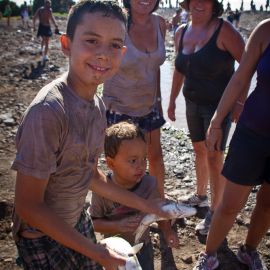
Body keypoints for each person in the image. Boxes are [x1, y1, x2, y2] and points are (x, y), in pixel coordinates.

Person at [11, 1, 170, 269]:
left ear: (123, 52)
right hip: (40, 237)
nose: (103, 55)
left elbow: (92, 176)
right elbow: (28, 206)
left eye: (114, 45)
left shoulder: (97, 107)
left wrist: (151, 206)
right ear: (66, 45)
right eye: (92, 40)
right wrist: (98, 253)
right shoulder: (49, 112)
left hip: (77, 220)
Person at [194, 19, 270, 270]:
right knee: (229, 205)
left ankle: (249, 250)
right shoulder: (265, 30)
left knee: (268, 204)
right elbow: (239, 78)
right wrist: (217, 122)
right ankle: (210, 254)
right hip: (253, 133)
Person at [167, 0, 245, 235]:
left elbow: (247, 66)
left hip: (219, 106)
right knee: (199, 150)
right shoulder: (181, 32)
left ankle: (216, 210)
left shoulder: (225, 30)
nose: (199, 4)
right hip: (191, 102)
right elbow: (179, 69)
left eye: (206, 0)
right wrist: (171, 101)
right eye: (194, 0)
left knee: (214, 157)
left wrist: (240, 102)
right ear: (188, 4)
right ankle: (200, 195)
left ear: (213, 5)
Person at [90, 121, 180, 269]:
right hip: (113, 252)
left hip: (143, 248)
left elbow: (160, 214)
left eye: (144, 158)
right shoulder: (102, 190)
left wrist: (168, 231)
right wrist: (116, 225)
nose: (141, 166)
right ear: (111, 164)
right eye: (133, 161)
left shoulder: (149, 184)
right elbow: (94, 223)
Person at [103, 0, 167, 198]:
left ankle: (159, 205)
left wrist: (159, 100)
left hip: (148, 106)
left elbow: (155, 67)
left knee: (155, 158)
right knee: (123, 163)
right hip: (119, 108)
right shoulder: (117, 23)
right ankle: (123, 210)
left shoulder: (160, 24)